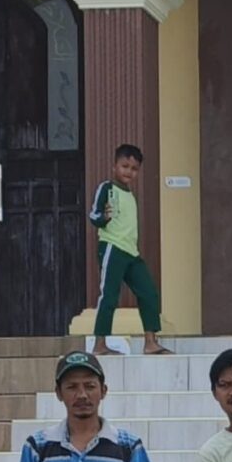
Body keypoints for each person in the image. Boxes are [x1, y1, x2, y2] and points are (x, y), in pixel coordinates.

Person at [15, 351, 160, 462]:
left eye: (90, 386)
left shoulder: (130, 447)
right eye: (72, 387)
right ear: (58, 393)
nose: (82, 395)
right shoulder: (37, 446)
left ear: (103, 390)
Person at [86, 142, 169, 357]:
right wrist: (103, 217)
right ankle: (100, 344)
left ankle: (150, 342)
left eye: (133, 169)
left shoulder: (130, 195)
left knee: (149, 292)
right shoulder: (107, 188)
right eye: (124, 166)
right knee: (109, 296)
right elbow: (94, 215)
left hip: (131, 251)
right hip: (113, 247)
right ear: (114, 166)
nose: (128, 172)